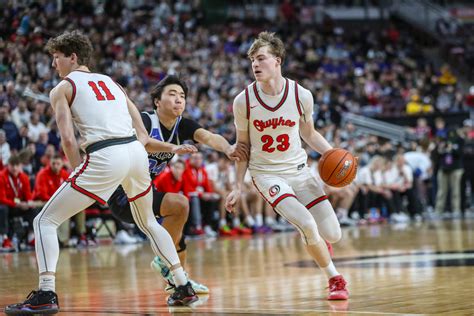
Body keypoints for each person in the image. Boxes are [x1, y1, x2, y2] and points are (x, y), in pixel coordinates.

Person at [5, 30, 198, 315]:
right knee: (148, 222)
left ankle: (46, 293)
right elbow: (143, 135)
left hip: (106, 154)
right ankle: (182, 285)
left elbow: (68, 140)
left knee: (44, 221)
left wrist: (79, 176)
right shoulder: (113, 83)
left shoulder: (62, 88)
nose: (53, 65)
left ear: (72, 57)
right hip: (135, 152)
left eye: (56, 58)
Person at [225, 32, 350, 300]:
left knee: (333, 234)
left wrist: (335, 157)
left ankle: (319, 243)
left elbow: (309, 133)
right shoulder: (243, 101)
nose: (255, 65)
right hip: (267, 174)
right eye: (252, 61)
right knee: (306, 223)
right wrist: (236, 186)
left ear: (277, 61)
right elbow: (243, 148)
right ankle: (335, 279)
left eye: (261, 59)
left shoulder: (301, 95)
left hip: (299, 171)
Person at [107, 75, 248, 294]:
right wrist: (172, 148)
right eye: (172, 94)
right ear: (157, 101)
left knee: (177, 232)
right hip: (122, 193)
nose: (178, 100)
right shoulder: (144, 120)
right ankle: (165, 263)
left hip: (143, 192)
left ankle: (178, 282)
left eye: (182, 96)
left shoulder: (183, 126)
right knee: (180, 204)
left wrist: (228, 148)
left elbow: (209, 137)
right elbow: (143, 144)